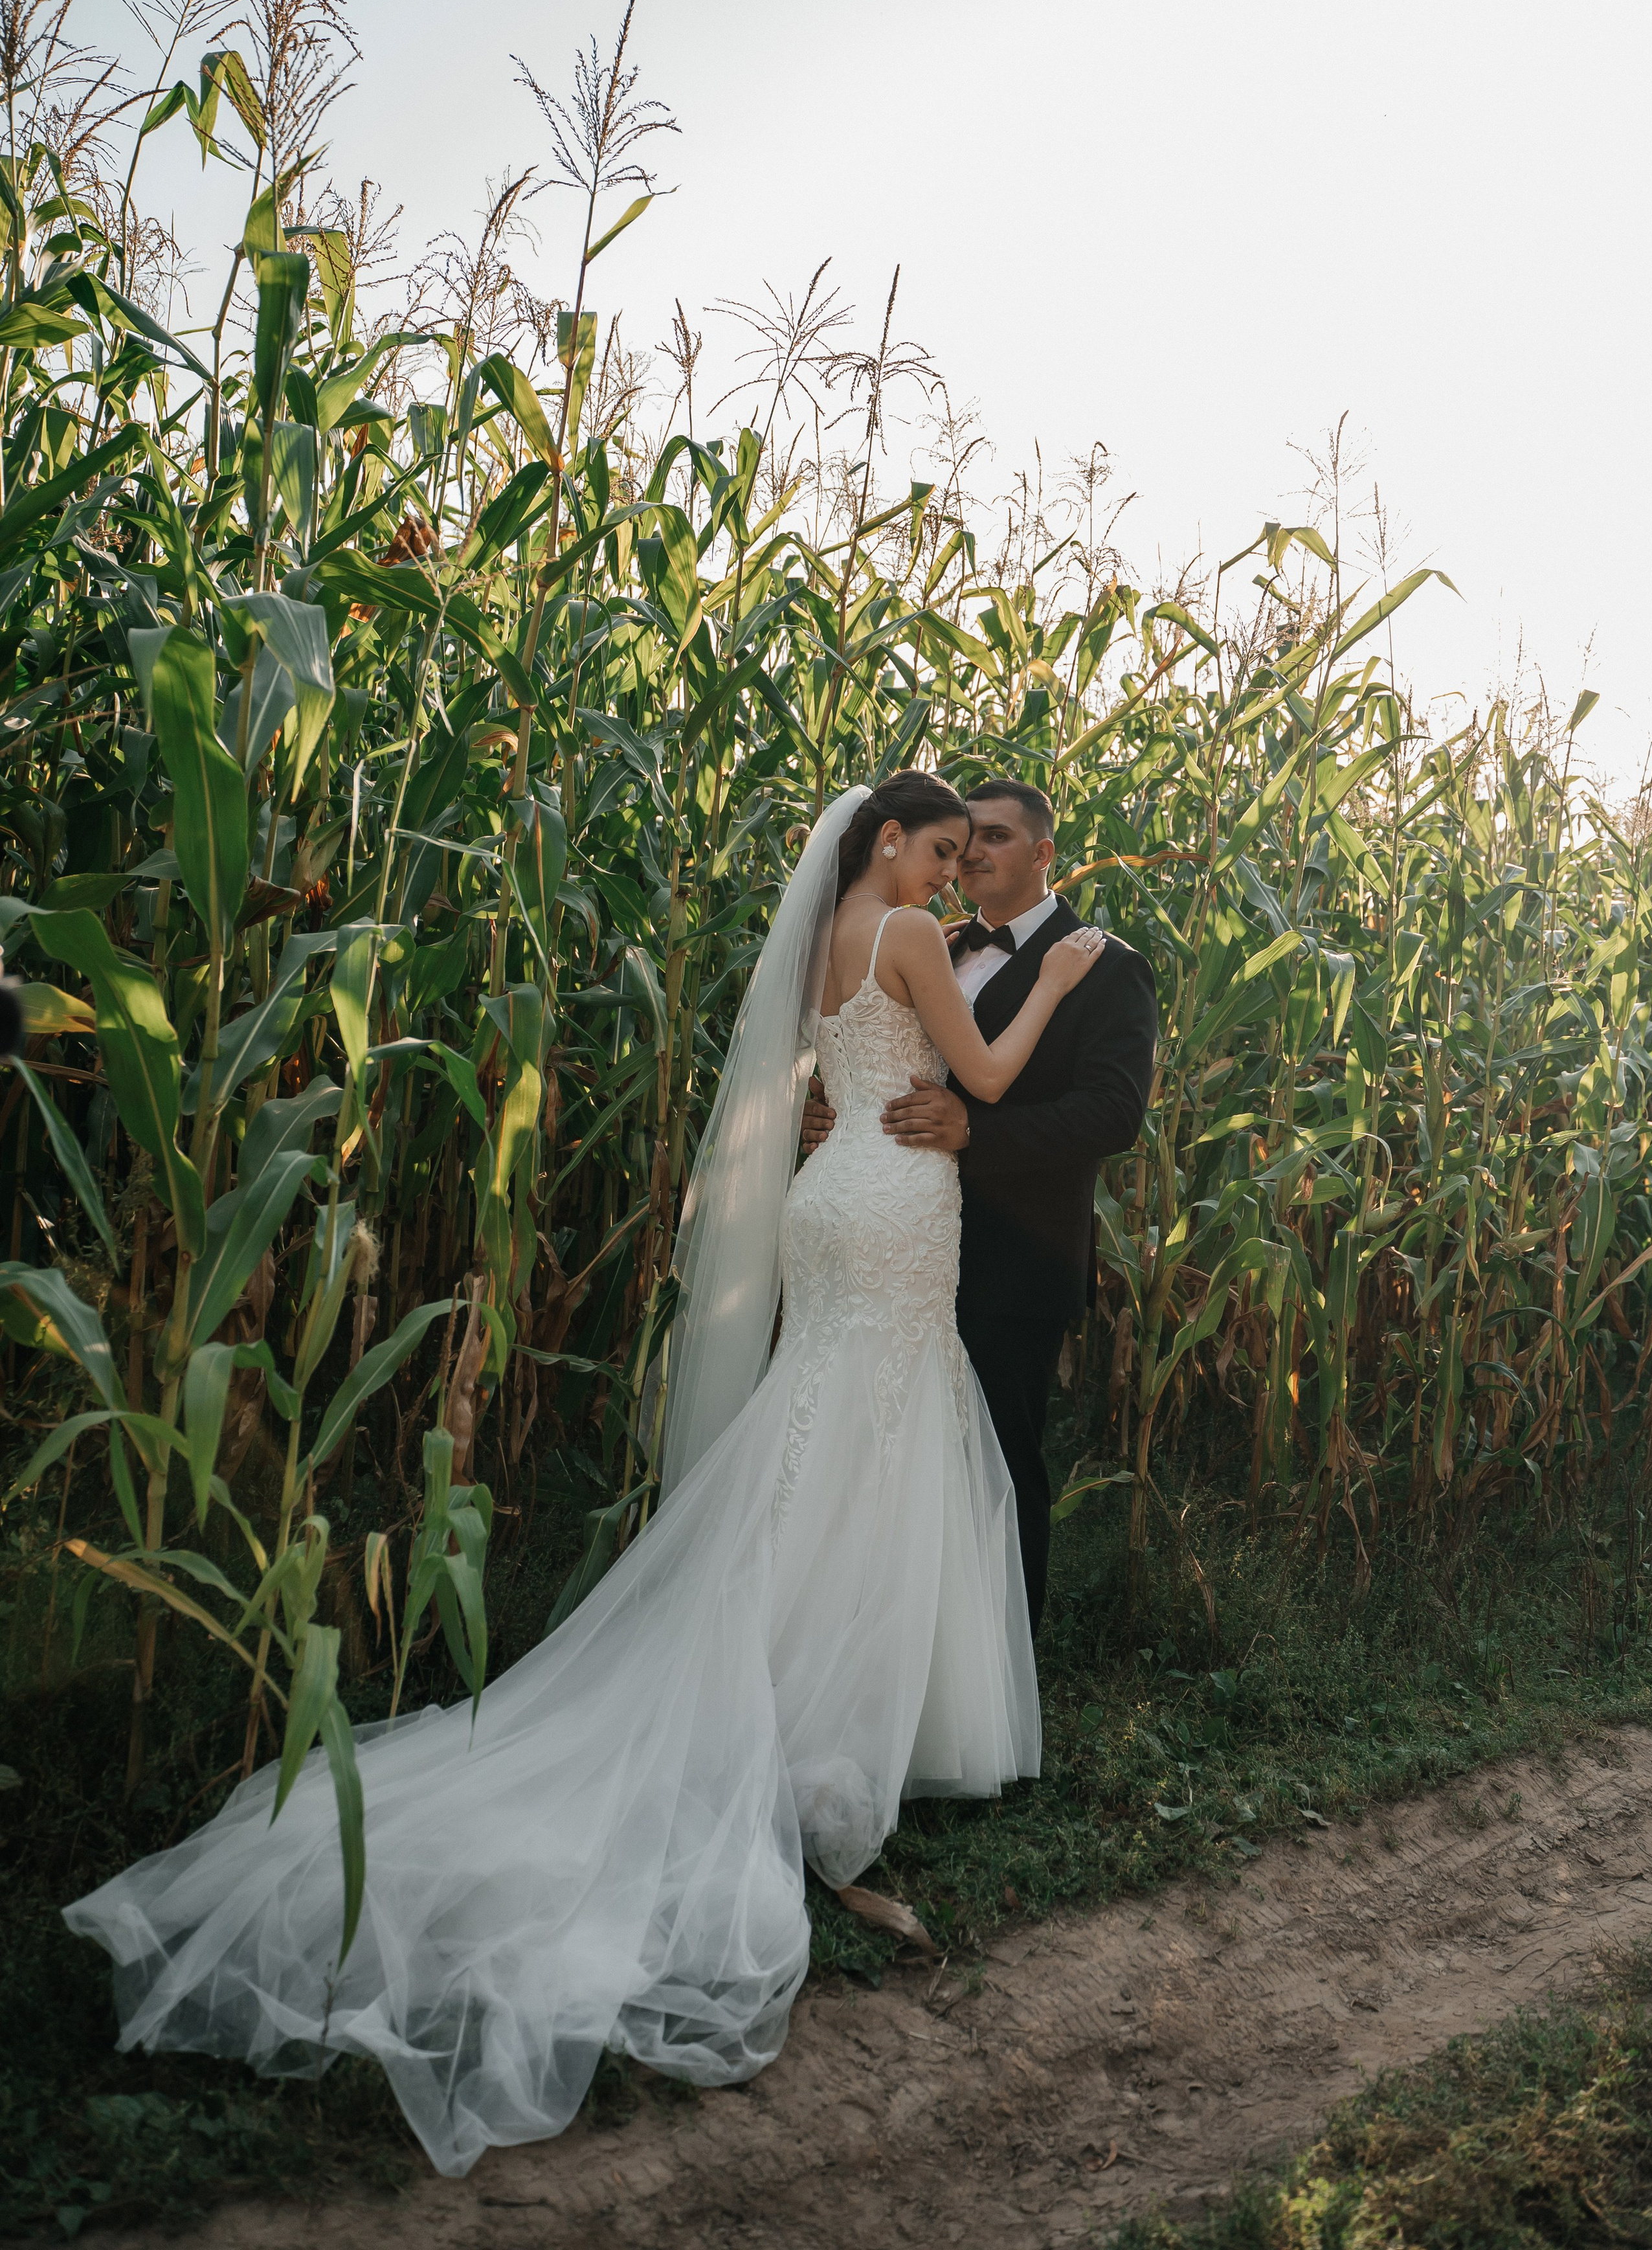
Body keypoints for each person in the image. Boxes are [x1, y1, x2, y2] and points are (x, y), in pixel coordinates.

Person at [63, 775, 1104, 2180]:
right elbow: (979, 1078)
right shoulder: (910, 932)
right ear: (884, 842)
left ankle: (797, 1673)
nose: (940, 871)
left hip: (833, 1198)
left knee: (826, 1427)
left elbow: (833, 1073)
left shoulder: (817, 937)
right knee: (876, 1434)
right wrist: (1062, 978)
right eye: (930, 848)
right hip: (893, 1203)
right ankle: (830, 1709)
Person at [802, 781, 1157, 1629]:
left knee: (998, 1467)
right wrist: (830, 1114)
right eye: (961, 846)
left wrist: (977, 1137)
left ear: (1043, 855)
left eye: (993, 840)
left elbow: (1114, 1115)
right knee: (885, 1458)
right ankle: (890, 1653)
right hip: (895, 1236)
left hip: (1013, 1255)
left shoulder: (1107, 965)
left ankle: (1001, 1681)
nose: (969, 860)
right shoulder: (931, 939)